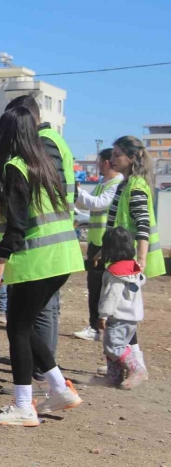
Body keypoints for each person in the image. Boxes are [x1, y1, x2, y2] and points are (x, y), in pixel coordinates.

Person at [0, 105, 84, 426]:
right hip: (63, 257)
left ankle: (24, 406)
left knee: (17, 329)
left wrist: (1, 260)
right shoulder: (44, 164)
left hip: (37, 260)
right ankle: (59, 388)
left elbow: (17, 223)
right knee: (24, 326)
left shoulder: (15, 167)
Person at [103, 135, 166, 377]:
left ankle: (135, 364)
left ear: (131, 158)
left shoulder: (136, 185)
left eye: (117, 154)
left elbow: (142, 225)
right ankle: (128, 362)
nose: (111, 159)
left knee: (122, 313)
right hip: (121, 257)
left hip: (131, 261)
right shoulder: (125, 184)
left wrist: (140, 260)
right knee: (121, 312)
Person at [73, 149, 124, 342]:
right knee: (94, 285)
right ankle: (94, 326)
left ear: (106, 162)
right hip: (96, 242)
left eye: (100, 161)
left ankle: (101, 327)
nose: (98, 164)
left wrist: (78, 192)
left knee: (106, 288)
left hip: (107, 244)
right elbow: (89, 205)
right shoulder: (104, 183)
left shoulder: (116, 184)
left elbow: (98, 203)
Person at [97, 227, 147, 389]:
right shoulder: (133, 267)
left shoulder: (115, 272)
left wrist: (103, 315)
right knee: (116, 345)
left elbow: (112, 295)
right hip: (132, 316)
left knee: (113, 346)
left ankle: (137, 369)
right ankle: (114, 377)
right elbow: (141, 281)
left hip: (118, 316)